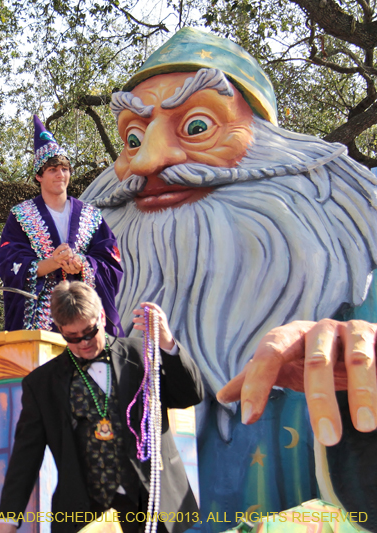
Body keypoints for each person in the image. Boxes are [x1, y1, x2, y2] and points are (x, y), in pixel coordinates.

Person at [79, 27, 377, 529]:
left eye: (197, 126)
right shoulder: (85, 348)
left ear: (276, 150)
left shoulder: (363, 302)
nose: (149, 162)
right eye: (133, 138)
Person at [0, 281, 203, 533]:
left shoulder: (141, 354)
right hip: (85, 516)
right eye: (73, 337)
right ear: (60, 329)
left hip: (154, 506)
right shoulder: (41, 384)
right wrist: (7, 519)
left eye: (89, 332)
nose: (84, 343)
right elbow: (25, 458)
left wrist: (167, 343)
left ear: (101, 316)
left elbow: (190, 395)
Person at [0, 115, 123, 335]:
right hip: (41, 320)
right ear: (39, 176)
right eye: (53, 170)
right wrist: (53, 262)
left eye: (64, 169)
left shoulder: (91, 215)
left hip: (85, 313)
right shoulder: (20, 216)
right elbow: (10, 263)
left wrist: (82, 264)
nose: (60, 175)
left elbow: (110, 259)